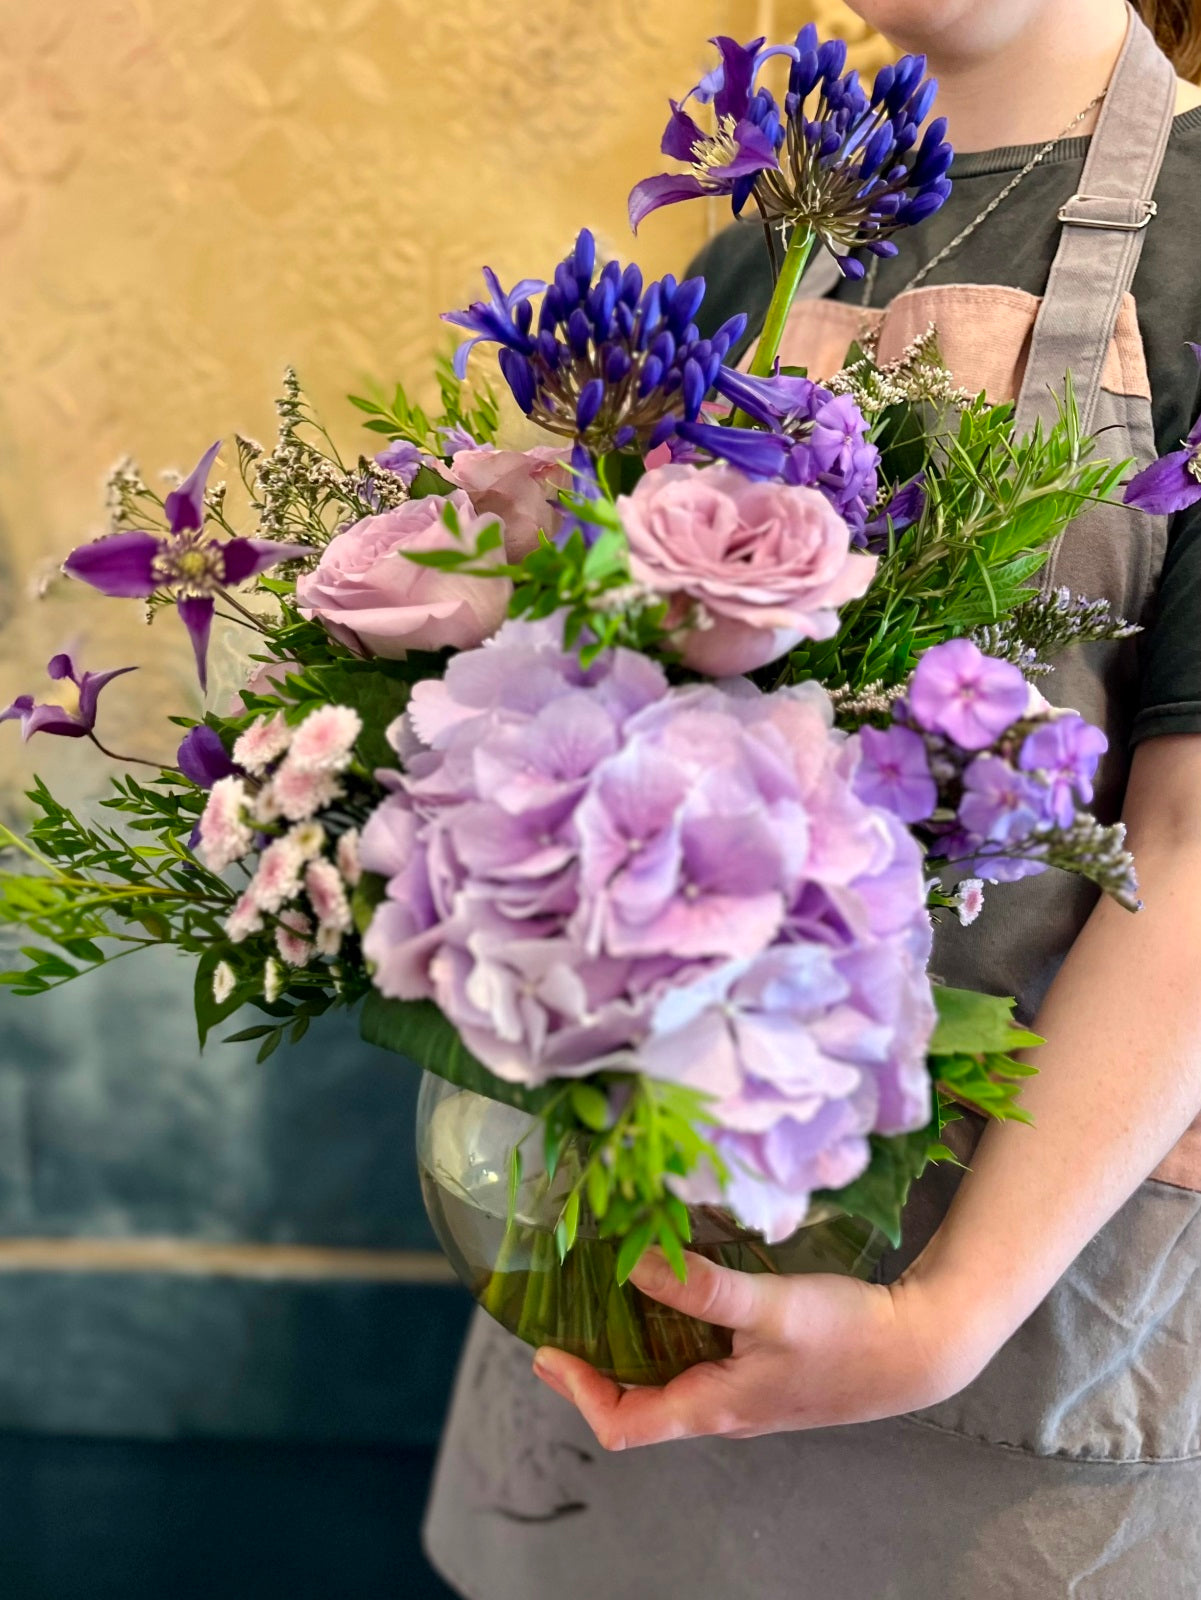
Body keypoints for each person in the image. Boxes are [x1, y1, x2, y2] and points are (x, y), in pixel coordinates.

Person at [423, 4, 1201, 1594]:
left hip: (1006, 1340)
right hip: (627, 1270)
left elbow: (1192, 849)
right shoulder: (751, 255)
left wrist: (938, 1318)